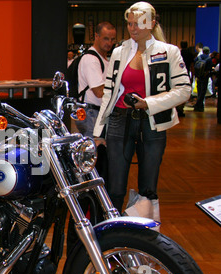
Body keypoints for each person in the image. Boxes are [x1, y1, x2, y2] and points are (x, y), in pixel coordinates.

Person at [93, 1, 191, 213]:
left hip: (152, 123)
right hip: (119, 121)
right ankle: (112, 233)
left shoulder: (169, 52)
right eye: (129, 23)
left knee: (148, 188)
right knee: (115, 187)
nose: (132, 28)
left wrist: (149, 103)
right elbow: (109, 93)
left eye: (137, 23)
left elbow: (184, 90)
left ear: (152, 23)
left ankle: (145, 238)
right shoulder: (120, 52)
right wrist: (99, 132)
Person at [76, 21, 116, 137]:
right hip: (91, 113)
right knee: (92, 149)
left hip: (96, 112)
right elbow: (98, 91)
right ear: (96, 36)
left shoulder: (103, 59)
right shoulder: (91, 59)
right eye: (106, 38)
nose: (109, 43)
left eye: (112, 40)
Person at [192, 46, 213, 112]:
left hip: (198, 76)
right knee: (203, 92)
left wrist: (196, 75)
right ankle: (199, 106)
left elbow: (194, 65)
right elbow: (209, 69)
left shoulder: (198, 58)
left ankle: (198, 105)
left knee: (199, 90)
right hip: (205, 77)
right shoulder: (209, 59)